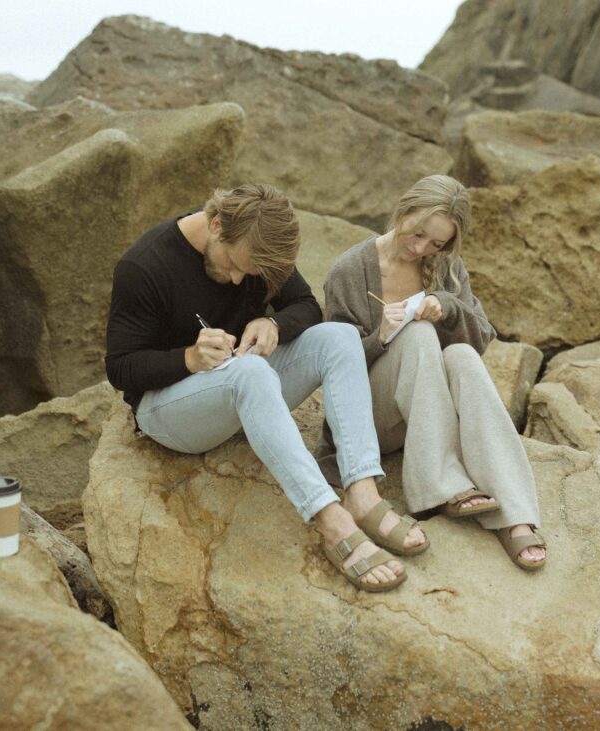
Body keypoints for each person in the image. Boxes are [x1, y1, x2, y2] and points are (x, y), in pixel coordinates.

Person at [104, 183, 429, 592]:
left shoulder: (260, 246)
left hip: (242, 389)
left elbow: (307, 306)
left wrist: (273, 324)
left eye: (250, 274)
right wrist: (187, 357)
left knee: (340, 336)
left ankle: (362, 494)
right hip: (168, 410)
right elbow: (120, 368)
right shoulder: (144, 266)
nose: (238, 279)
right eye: (234, 265)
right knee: (253, 374)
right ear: (217, 224)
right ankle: (331, 521)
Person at [320, 174, 546, 570]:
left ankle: (514, 512)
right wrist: (382, 337)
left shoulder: (446, 268)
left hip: (427, 418)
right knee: (419, 335)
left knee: (460, 355)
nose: (421, 248)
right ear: (403, 210)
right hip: (372, 418)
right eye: (417, 233)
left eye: (435, 243)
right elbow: (332, 368)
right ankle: (440, 485)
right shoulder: (350, 270)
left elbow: (480, 340)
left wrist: (448, 306)